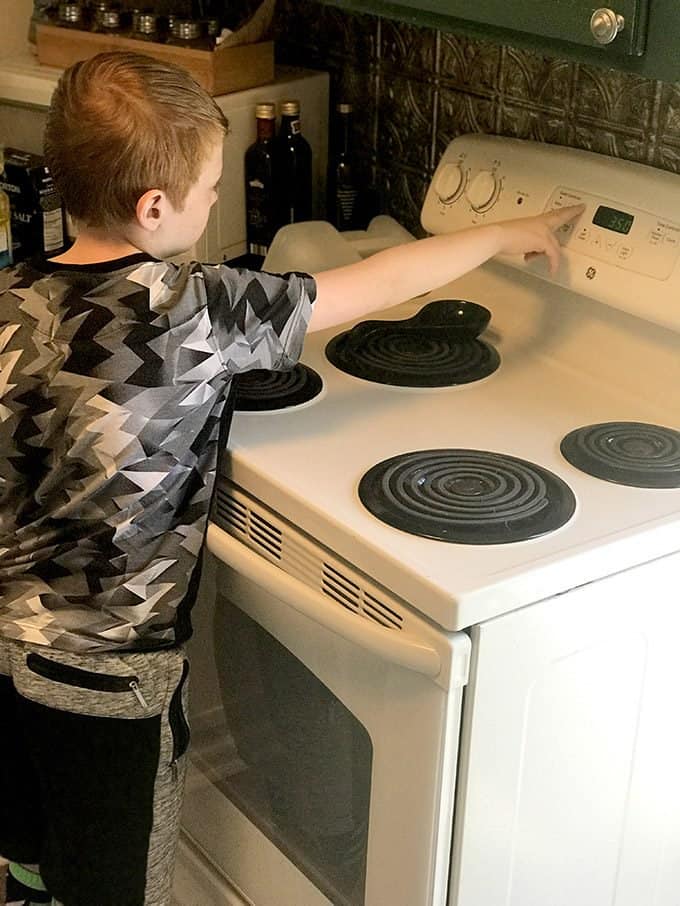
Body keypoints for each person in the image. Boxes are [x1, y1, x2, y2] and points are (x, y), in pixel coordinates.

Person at [0, 51, 583, 906]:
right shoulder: (195, 308)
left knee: (27, 841)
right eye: (207, 192)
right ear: (153, 207)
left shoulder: (13, 297)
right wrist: (501, 234)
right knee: (115, 882)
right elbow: (373, 284)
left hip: (10, 656)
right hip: (114, 686)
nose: (211, 205)